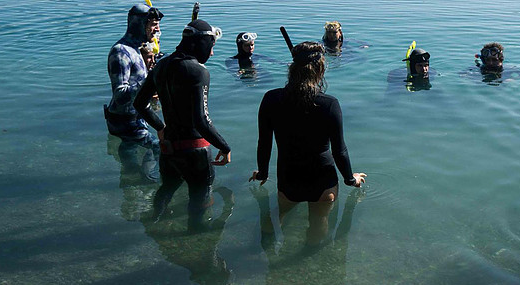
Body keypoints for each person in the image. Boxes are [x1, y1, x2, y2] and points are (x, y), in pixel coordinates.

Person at [250, 41, 366, 245]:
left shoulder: (271, 99)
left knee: (279, 215)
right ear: (321, 69)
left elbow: (264, 143)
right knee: (319, 221)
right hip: (322, 179)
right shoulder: (329, 104)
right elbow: (340, 150)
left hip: (289, 177)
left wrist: (262, 173)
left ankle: (264, 251)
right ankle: (308, 259)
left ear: (291, 69)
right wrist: (350, 179)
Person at [134, 19, 231, 231]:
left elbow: (139, 103)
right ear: (200, 43)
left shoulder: (161, 65)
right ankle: (197, 241)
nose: (212, 53)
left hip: (169, 149)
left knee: (167, 188)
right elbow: (201, 120)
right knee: (200, 198)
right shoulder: (197, 71)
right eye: (211, 46)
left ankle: (154, 223)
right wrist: (225, 147)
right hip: (195, 153)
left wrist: (160, 127)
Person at [105, 3, 163, 147]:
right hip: (125, 122)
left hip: (138, 118)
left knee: (138, 161)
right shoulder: (121, 52)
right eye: (154, 25)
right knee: (161, 149)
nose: (157, 30)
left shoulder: (137, 49)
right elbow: (119, 95)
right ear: (140, 24)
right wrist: (151, 82)